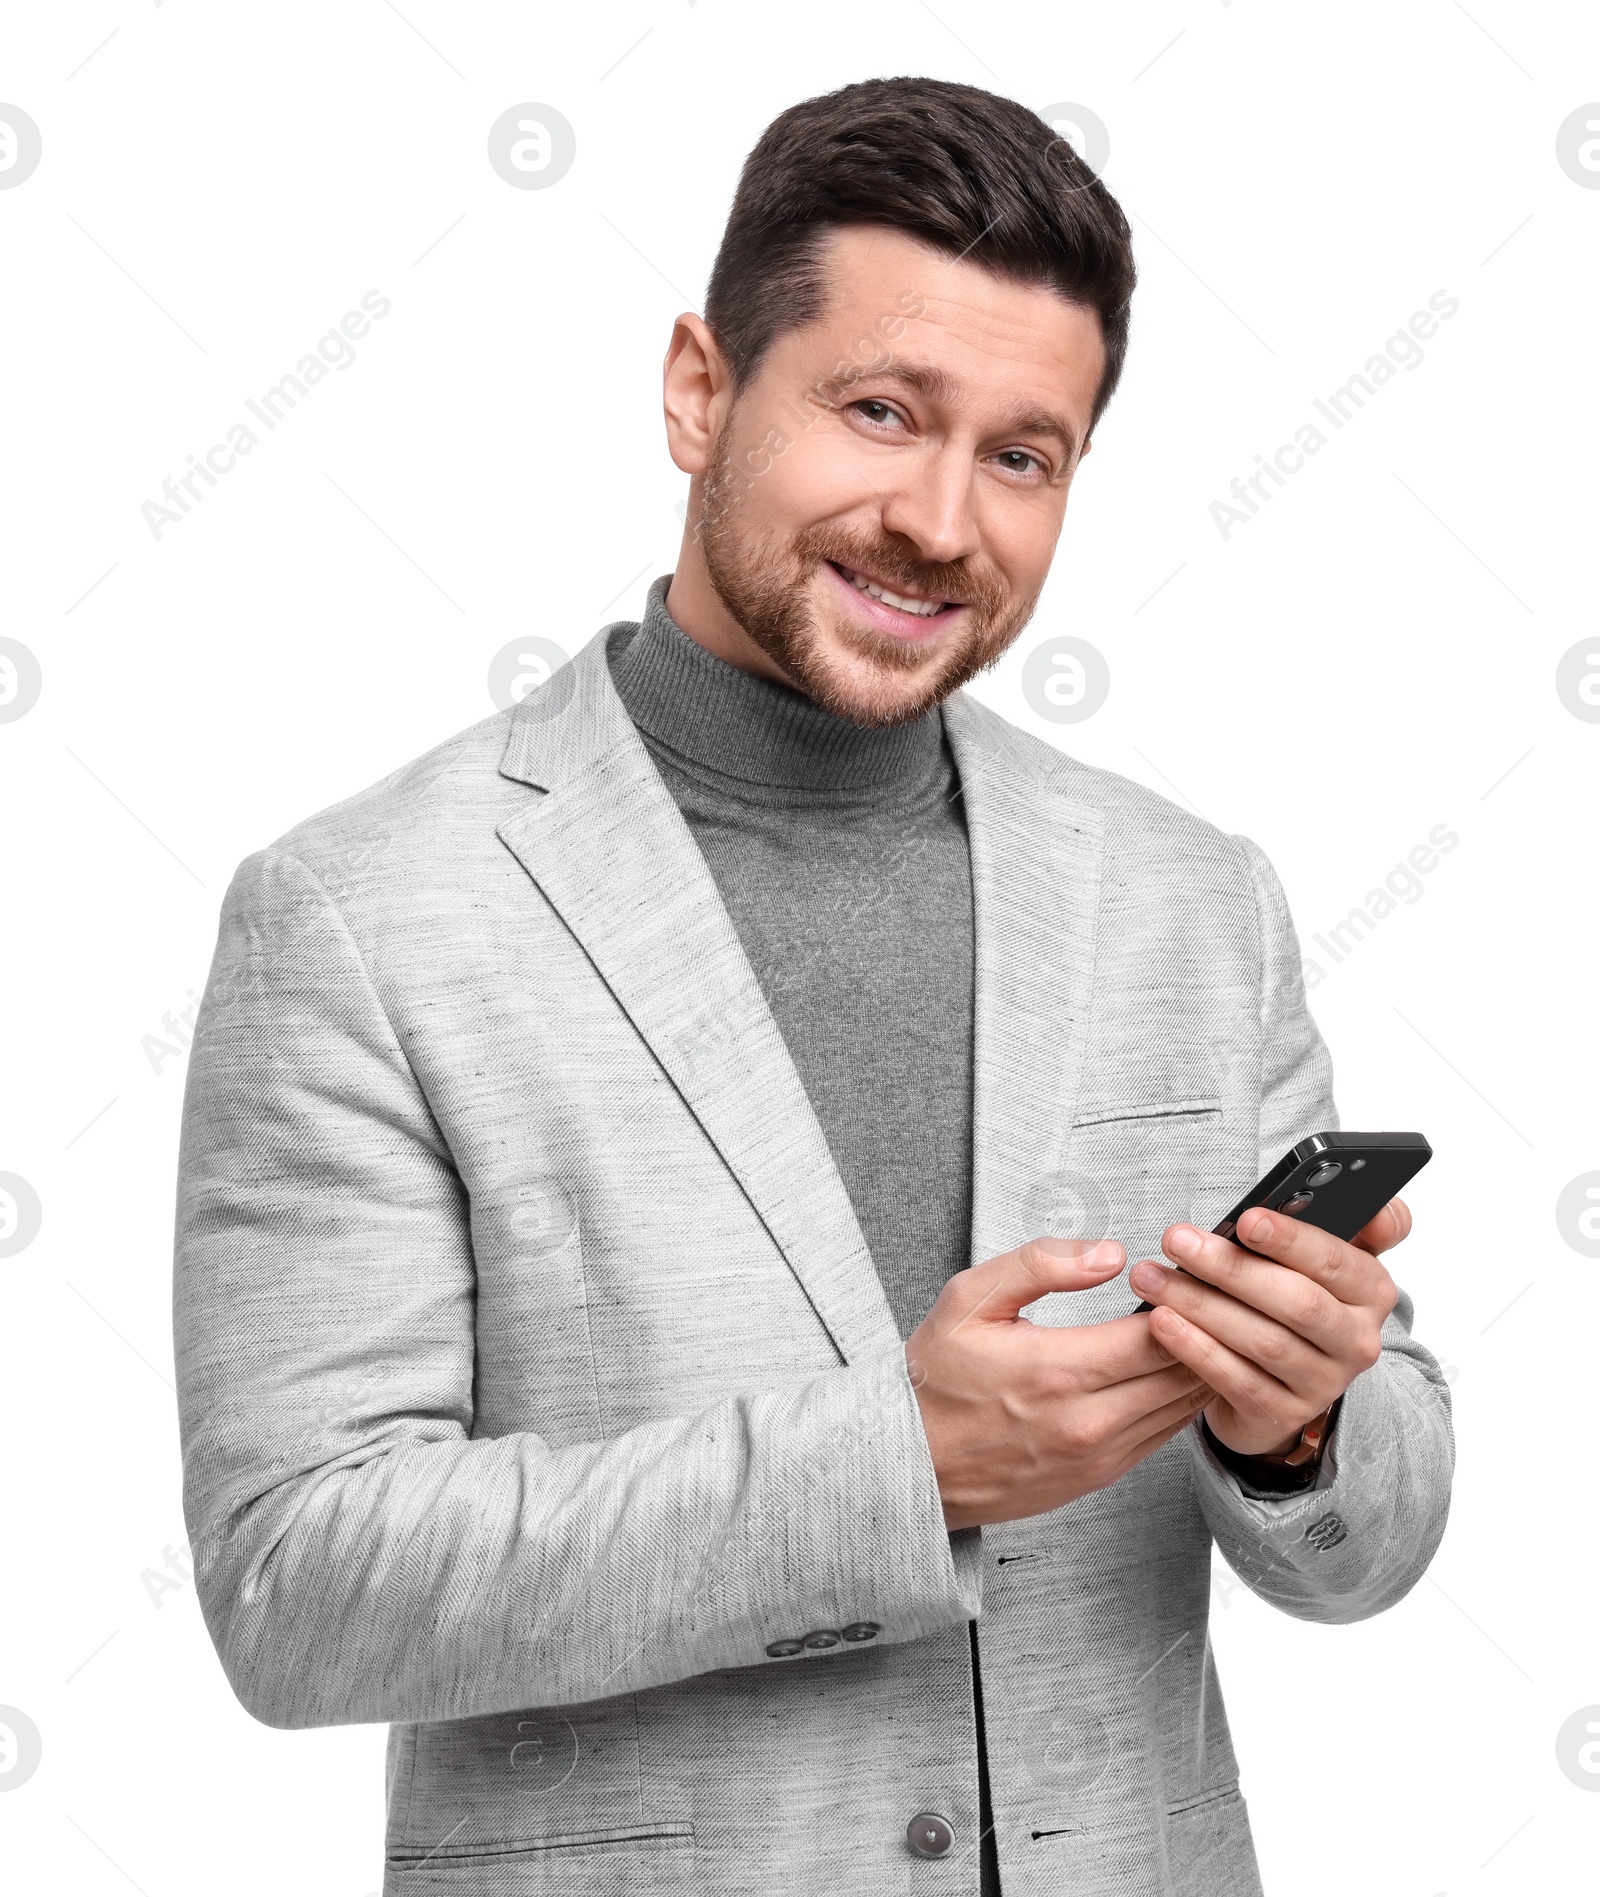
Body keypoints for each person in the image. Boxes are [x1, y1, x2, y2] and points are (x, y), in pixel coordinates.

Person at [174, 76, 1453, 1896]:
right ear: (701, 389)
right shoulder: (364, 913)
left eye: (1023, 455)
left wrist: (1303, 1418)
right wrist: (892, 1465)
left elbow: (1373, 1538)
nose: (942, 519)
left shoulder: (1194, 897)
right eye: (879, 411)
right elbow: (295, 1584)